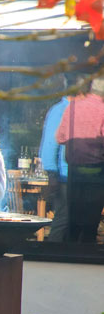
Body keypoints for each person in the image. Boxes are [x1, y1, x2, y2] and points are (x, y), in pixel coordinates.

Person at [56, 77, 104, 243]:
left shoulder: (72, 107)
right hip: (97, 173)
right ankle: (86, 260)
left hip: (74, 172)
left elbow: (60, 138)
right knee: (90, 224)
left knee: (73, 223)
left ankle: (70, 258)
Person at [38, 94, 71, 241]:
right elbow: (50, 145)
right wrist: (52, 173)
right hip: (64, 176)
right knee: (63, 219)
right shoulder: (60, 109)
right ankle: (53, 254)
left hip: (78, 175)